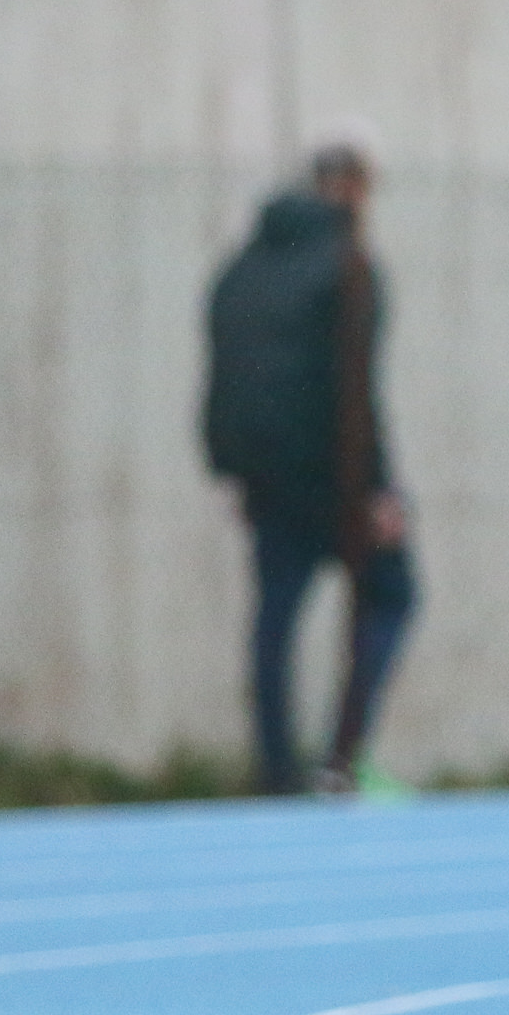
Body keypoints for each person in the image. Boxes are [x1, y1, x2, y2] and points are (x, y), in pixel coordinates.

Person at [203, 137, 417, 797]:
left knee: (275, 621)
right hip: (337, 479)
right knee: (391, 596)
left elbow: (224, 373)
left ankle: (276, 770)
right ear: (354, 188)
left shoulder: (242, 267)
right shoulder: (348, 266)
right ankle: (340, 762)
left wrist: (233, 467)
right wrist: (380, 489)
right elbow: (353, 389)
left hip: (267, 481)